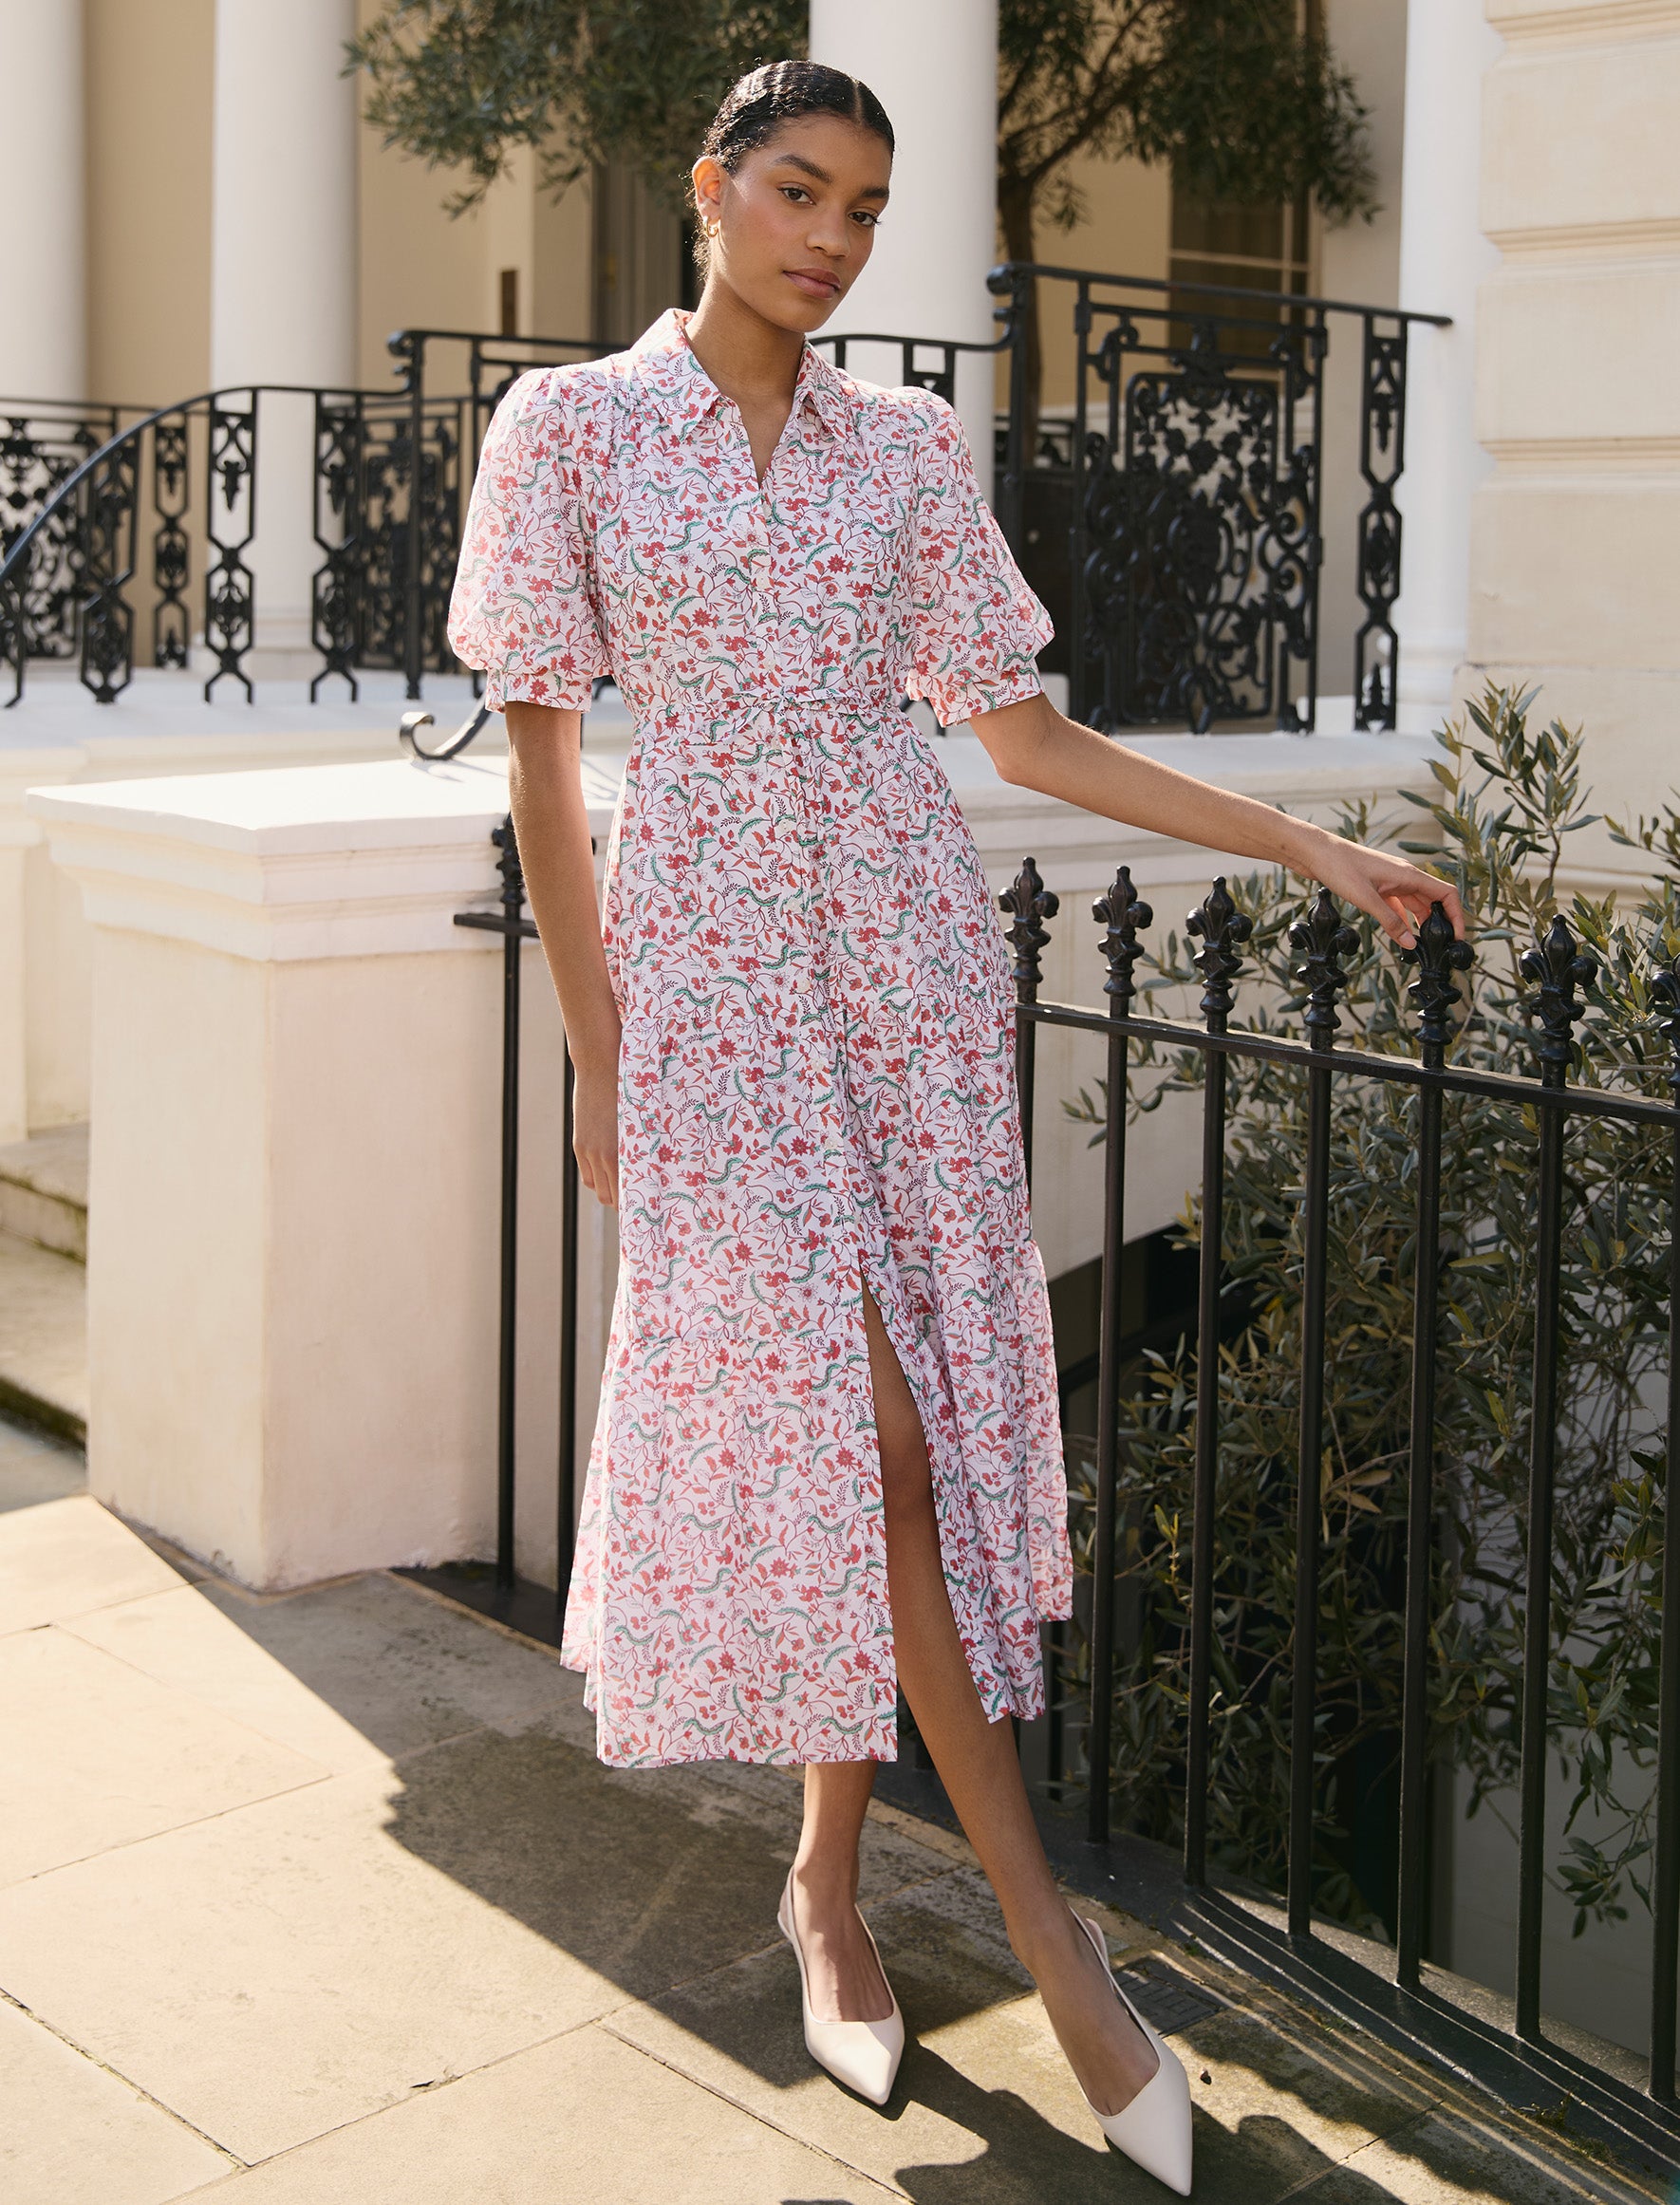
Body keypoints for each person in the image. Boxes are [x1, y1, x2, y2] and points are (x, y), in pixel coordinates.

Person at [447, 59, 1465, 2196]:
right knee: (872, 1433)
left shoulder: (904, 450)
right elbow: (544, 761)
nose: (830, 236)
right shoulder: (566, 429)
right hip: (710, 984)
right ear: (711, 191)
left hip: (902, 974)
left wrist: (1310, 852)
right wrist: (600, 1045)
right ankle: (1052, 1941)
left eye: (867, 208)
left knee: (885, 1437)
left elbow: (1022, 733)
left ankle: (827, 1882)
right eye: (797, 191)